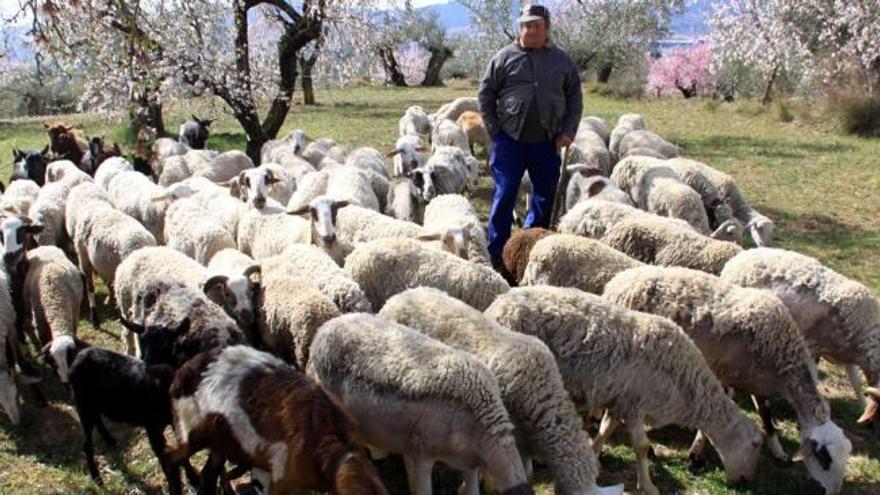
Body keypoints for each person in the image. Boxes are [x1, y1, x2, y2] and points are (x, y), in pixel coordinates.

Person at [477, 3, 582, 267]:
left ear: (546, 29)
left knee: (544, 198)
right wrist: (495, 131)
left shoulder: (562, 61)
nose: (530, 31)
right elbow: (485, 94)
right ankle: (498, 256)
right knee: (504, 197)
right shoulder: (503, 58)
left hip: (548, 142)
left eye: (536, 26)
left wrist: (568, 130)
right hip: (509, 141)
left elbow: (574, 99)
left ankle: (529, 249)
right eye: (525, 25)